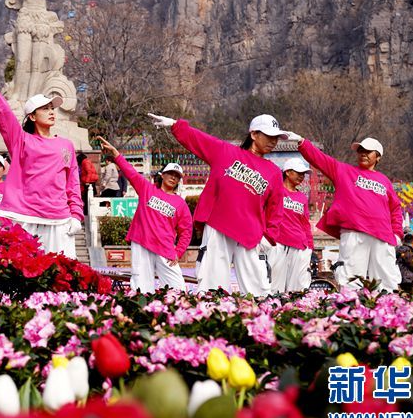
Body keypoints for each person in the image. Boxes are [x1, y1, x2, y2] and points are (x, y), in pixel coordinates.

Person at [149, 113, 287, 296]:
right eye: (269, 136)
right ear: (254, 134)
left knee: (259, 290)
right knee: (212, 286)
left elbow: (276, 209)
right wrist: (175, 125)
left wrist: (268, 238)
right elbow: (197, 140)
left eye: (276, 137)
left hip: (251, 235)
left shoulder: (274, 172)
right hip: (219, 226)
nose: (273, 141)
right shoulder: (226, 152)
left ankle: (260, 322)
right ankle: (213, 318)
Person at [0, 63, 83, 257]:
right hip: (25, 217)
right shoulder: (22, 141)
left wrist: (76, 215)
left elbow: (73, 184)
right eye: (45, 108)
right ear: (32, 116)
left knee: (61, 276)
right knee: (23, 274)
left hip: (59, 219)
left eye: (52, 108)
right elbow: (4, 113)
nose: (52, 111)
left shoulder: (66, 146)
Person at [290, 133, 402, 291]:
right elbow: (320, 159)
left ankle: (389, 311)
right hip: (354, 232)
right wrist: (302, 143)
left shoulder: (385, 181)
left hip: (382, 234)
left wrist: (397, 233)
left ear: (378, 157)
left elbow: (395, 209)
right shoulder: (344, 171)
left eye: (368, 151)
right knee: (350, 278)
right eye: (360, 150)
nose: (363, 153)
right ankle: (351, 311)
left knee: (386, 278)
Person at [98, 137, 193, 292]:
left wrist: (179, 252)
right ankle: (143, 313)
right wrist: (116, 154)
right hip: (142, 242)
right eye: (170, 173)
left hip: (165, 249)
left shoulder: (180, 203)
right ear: (162, 174)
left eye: (177, 176)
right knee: (141, 287)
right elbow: (131, 173)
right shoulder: (147, 189)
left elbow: (187, 231)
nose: (173, 177)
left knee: (178, 290)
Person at [267, 158, 314, 292]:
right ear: (287, 172)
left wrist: (310, 246)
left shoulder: (302, 198)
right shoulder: (276, 190)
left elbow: (305, 224)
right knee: (274, 286)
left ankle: (295, 311)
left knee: (297, 288)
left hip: (300, 245)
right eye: (298, 172)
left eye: (303, 173)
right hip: (278, 243)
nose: (301, 176)